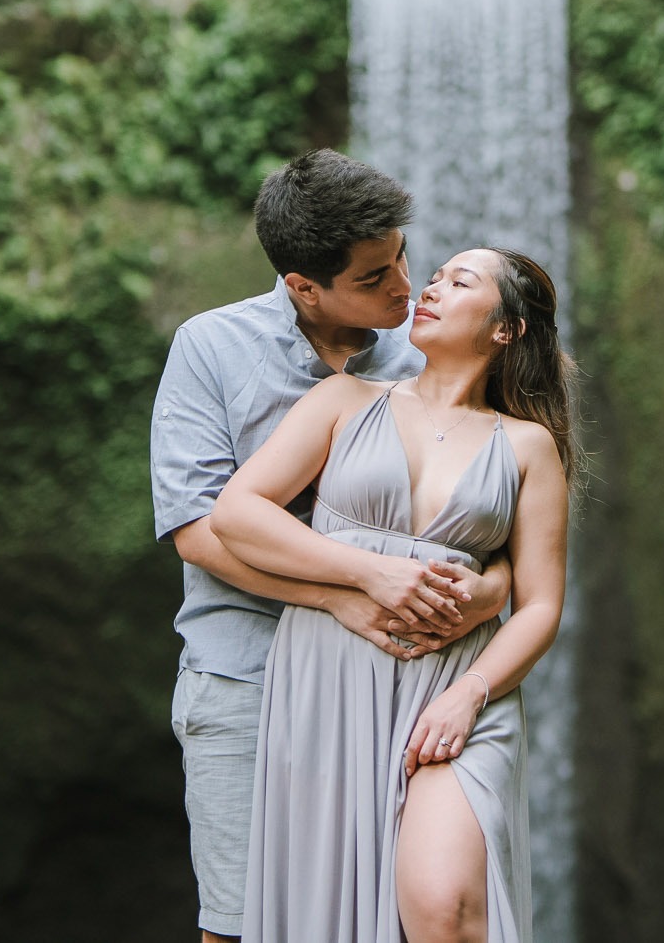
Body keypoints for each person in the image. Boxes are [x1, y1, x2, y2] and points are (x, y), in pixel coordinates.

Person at [151, 151, 513, 943]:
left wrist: (489, 593)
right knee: (241, 925)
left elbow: (499, 507)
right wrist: (349, 591)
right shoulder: (210, 349)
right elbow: (199, 531)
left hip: (395, 686)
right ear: (303, 286)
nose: (403, 285)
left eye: (402, 257)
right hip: (244, 675)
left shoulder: (429, 353)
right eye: (374, 276)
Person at [213, 247, 575, 943]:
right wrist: (368, 573)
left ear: (506, 328)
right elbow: (238, 513)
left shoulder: (529, 446)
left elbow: (540, 606)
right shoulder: (346, 398)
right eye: (433, 276)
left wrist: (469, 693)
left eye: (458, 281)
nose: (430, 287)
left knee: (444, 906)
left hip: (457, 691)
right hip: (331, 680)